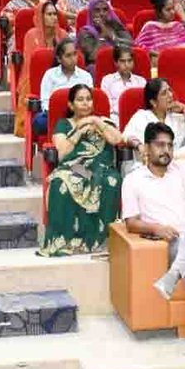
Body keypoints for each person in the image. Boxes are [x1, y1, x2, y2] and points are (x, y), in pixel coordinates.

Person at [121, 122, 185, 352]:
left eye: (170, 145)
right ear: (147, 147)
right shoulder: (133, 180)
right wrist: (157, 229)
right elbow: (131, 222)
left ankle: (172, 276)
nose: (166, 150)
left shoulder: (182, 167)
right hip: (174, 244)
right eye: (160, 145)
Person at [41, 85, 123, 256]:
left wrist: (96, 122)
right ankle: (66, 239)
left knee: (110, 180)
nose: (85, 103)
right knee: (63, 182)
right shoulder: (64, 125)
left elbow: (117, 140)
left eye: (88, 99)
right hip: (76, 167)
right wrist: (79, 131)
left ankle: (101, 240)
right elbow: (62, 154)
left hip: (102, 168)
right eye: (80, 100)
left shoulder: (104, 122)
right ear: (71, 105)